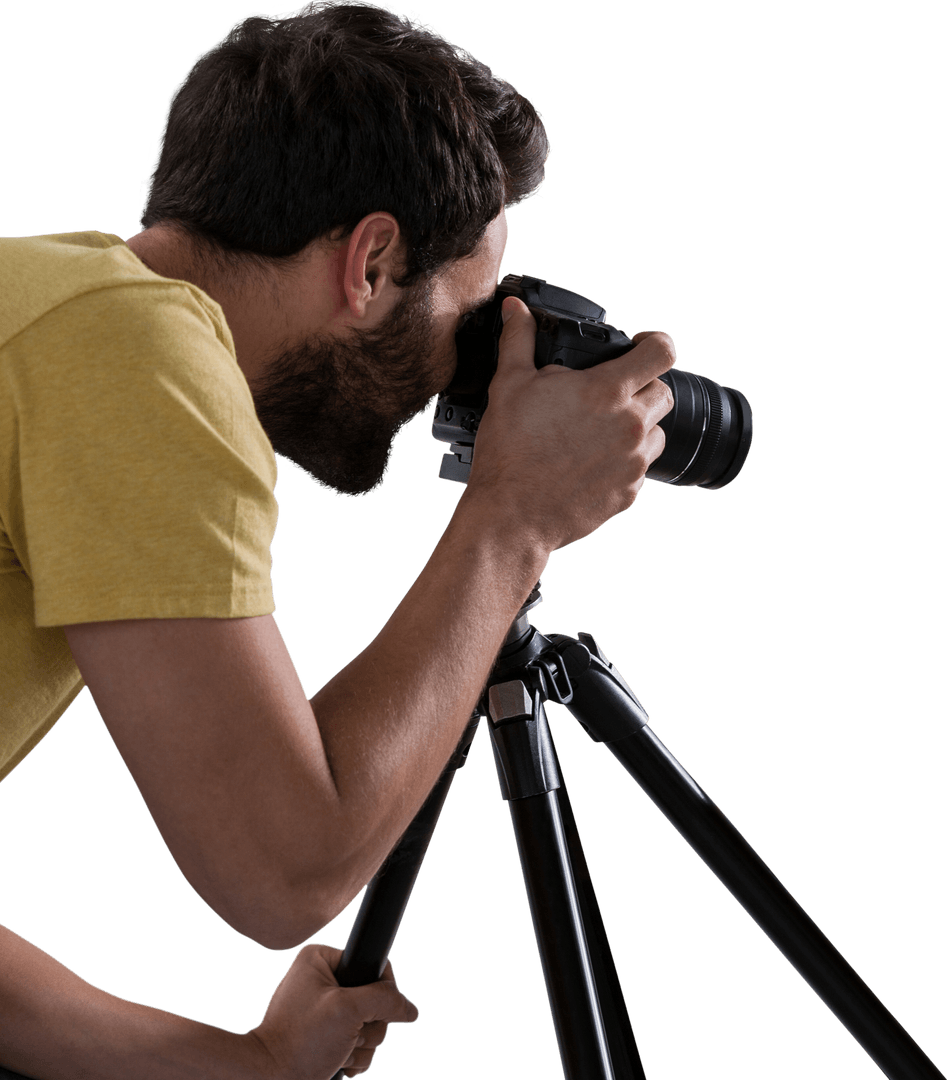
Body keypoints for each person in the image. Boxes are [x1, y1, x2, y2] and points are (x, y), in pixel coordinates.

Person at [0, 1, 675, 1076]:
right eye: (464, 317)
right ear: (370, 262)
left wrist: (258, 1063)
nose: (451, 375)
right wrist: (514, 519)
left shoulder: (44, 307)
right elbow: (283, 873)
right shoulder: (134, 353)